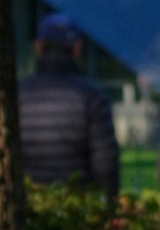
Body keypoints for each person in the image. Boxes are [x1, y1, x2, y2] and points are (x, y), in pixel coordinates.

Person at [14, 14, 117, 195]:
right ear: (77, 48)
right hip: (77, 209)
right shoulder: (92, 97)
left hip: (27, 204)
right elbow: (105, 164)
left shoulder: (16, 94)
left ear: (38, 47)